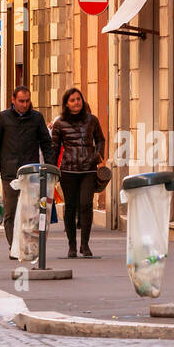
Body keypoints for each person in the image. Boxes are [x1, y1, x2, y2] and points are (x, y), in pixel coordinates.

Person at [0, 86, 55, 246]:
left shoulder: (37, 118)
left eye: (27, 101)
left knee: (30, 211)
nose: (24, 104)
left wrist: (51, 168)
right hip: (9, 172)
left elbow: (46, 144)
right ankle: (13, 245)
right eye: (21, 101)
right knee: (10, 211)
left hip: (31, 172)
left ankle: (26, 243)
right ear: (13, 100)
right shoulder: (3, 118)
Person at [49, 87, 107, 258]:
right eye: (73, 100)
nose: (76, 103)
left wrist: (98, 154)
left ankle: (85, 244)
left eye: (79, 99)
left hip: (88, 169)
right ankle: (72, 245)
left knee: (86, 205)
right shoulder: (60, 124)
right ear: (67, 104)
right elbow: (54, 148)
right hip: (68, 170)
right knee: (70, 207)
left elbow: (100, 139)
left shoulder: (92, 120)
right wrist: (52, 169)